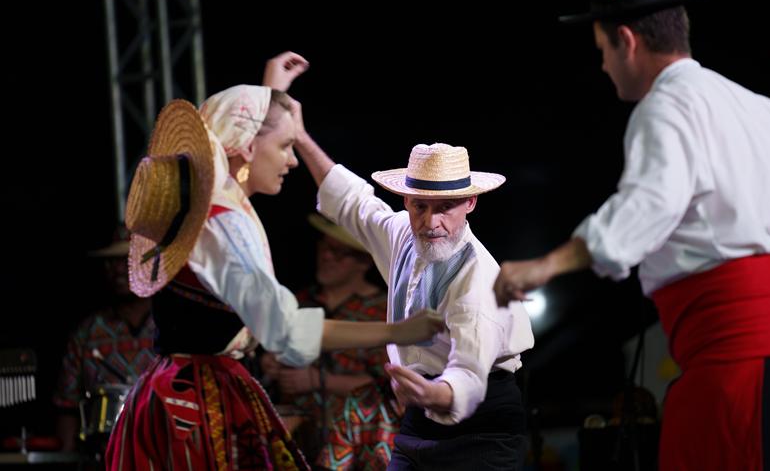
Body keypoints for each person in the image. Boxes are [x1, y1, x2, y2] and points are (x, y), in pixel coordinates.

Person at [493, 0, 770, 471]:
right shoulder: (763, 111)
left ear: (627, 41)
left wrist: (545, 265)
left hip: (735, 356)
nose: (603, 66)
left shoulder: (666, 106)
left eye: (602, 50)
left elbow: (650, 201)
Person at [104, 52, 444, 471]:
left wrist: (269, 97)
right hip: (197, 403)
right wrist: (399, 330)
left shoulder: (207, 204)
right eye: (285, 146)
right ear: (246, 146)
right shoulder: (224, 224)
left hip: (171, 389)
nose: (292, 160)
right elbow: (286, 332)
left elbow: (234, 144)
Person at [291, 100, 535, 470]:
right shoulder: (404, 234)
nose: (431, 222)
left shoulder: (479, 282)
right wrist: (300, 137)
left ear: (470, 203)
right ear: (406, 200)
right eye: (420, 206)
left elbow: (469, 374)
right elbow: (353, 203)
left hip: (481, 425)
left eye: (445, 207)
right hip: (419, 416)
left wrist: (434, 393)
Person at [264, 212, 399, 470]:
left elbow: (389, 384)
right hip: (295, 436)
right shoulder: (300, 301)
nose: (326, 256)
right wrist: (271, 363)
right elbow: (274, 352)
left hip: (354, 441)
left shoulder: (382, 312)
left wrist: (316, 380)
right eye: (324, 247)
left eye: (338, 252)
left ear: (363, 262)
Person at [54, 229, 155, 455]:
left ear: (147, 265)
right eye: (111, 262)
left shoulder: (170, 327)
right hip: (104, 456)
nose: (117, 269)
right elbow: (67, 406)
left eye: (125, 260)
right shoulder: (88, 333)